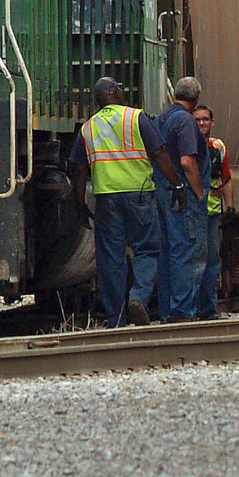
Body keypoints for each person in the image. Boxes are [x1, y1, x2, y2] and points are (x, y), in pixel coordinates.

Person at [65, 77, 160, 327]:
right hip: (139, 195)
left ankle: (116, 318)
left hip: (106, 198)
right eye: (121, 88)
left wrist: (79, 204)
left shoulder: (88, 128)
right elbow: (159, 153)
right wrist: (178, 185)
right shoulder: (136, 118)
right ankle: (138, 297)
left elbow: (79, 168)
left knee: (110, 259)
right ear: (115, 93)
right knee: (147, 249)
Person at [149, 75, 207, 322]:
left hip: (162, 192)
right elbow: (187, 161)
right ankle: (183, 311)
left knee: (167, 253)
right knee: (187, 250)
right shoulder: (184, 120)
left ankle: (167, 311)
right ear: (196, 99)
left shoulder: (161, 119)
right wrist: (199, 192)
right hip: (182, 195)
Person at [194, 103, 229, 319]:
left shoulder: (218, 147)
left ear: (212, 122)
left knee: (212, 261)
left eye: (205, 119)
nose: (201, 123)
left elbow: (226, 177)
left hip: (213, 212)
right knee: (195, 261)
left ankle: (208, 308)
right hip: (194, 212)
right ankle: (192, 307)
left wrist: (230, 206)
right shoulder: (187, 144)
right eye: (197, 120)